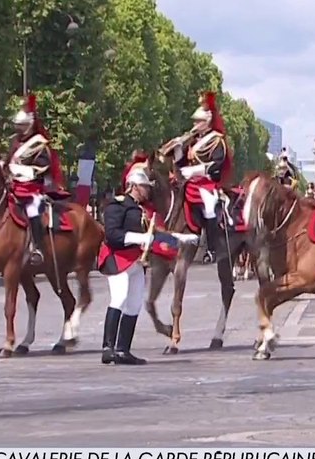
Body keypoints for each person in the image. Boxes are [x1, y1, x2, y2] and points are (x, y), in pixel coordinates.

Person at [96, 165, 189, 365]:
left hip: (136, 261)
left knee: (134, 304)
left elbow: (153, 235)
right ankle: (108, 347)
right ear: (134, 186)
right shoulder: (116, 205)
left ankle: (123, 349)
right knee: (119, 299)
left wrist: (181, 237)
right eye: (145, 187)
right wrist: (141, 237)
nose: (148, 191)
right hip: (118, 258)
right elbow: (113, 235)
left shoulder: (141, 211)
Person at [160, 91, 232, 244]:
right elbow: (181, 162)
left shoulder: (216, 141)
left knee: (210, 208)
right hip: (188, 181)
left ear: (206, 122)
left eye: (197, 121)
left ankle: (212, 247)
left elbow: (217, 163)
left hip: (207, 182)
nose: (194, 125)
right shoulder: (192, 140)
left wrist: (194, 171)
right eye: (194, 122)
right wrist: (178, 147)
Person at [7, 94, 68, 266]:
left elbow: (39, 170)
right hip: (13, 187)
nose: (18, 130)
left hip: (33, 189)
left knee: (34, 210)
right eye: (17, 126)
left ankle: (36, 247)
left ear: (29, 126)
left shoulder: (40, 144)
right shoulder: (15, 143)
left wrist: (14, 170)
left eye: (21, 126)